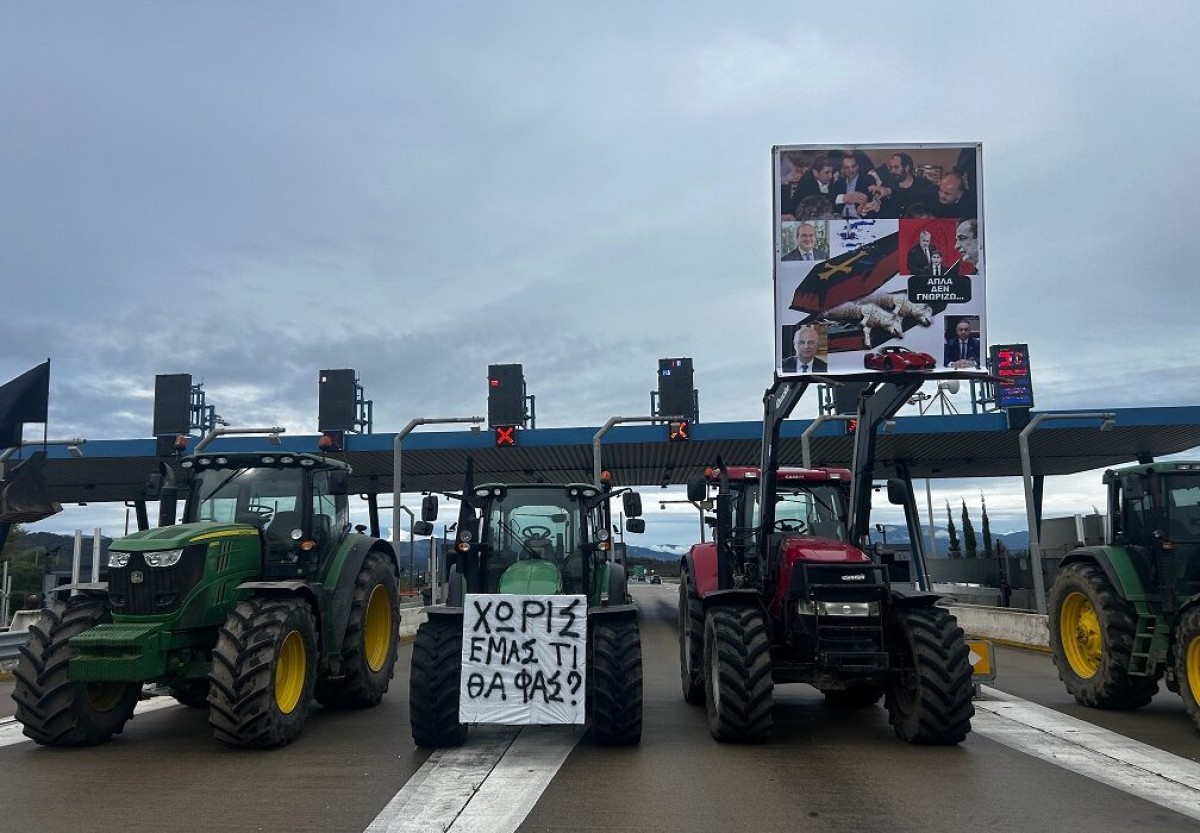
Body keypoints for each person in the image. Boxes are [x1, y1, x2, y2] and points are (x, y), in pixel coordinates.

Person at [875, 153, 938, 219]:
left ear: (907, 168)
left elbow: (933, 211)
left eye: (896, 167)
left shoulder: (924, 185)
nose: (892, 171)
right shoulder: (887, 184)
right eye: (891, 168)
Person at [831, 154, 873, 218]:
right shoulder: (839, 183)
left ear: (857, 167)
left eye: (853, 167)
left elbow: (871, 199)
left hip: (860, 218)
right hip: (841, 219)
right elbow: (833, 201)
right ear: (843, 169)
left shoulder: (867, 180)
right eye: (847, 168)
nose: (851, 170)